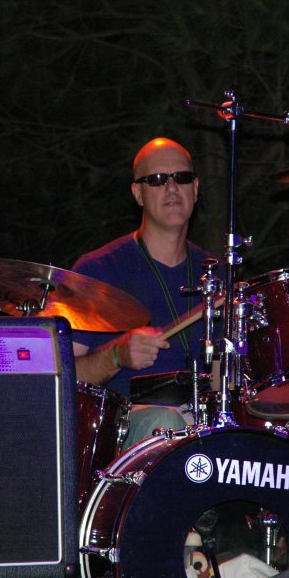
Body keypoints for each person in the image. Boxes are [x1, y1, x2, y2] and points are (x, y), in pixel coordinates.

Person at [71, 137, 218, 448]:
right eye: (157, 180)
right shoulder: (98, 270)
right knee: (166, 422)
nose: (172, 188)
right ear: (138, 193)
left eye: (181, 178)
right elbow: (60, 377)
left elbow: (224, 375)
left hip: (203, 424)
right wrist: (116, 355)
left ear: (195, 188)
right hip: (127, 428)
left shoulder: (215, 274)